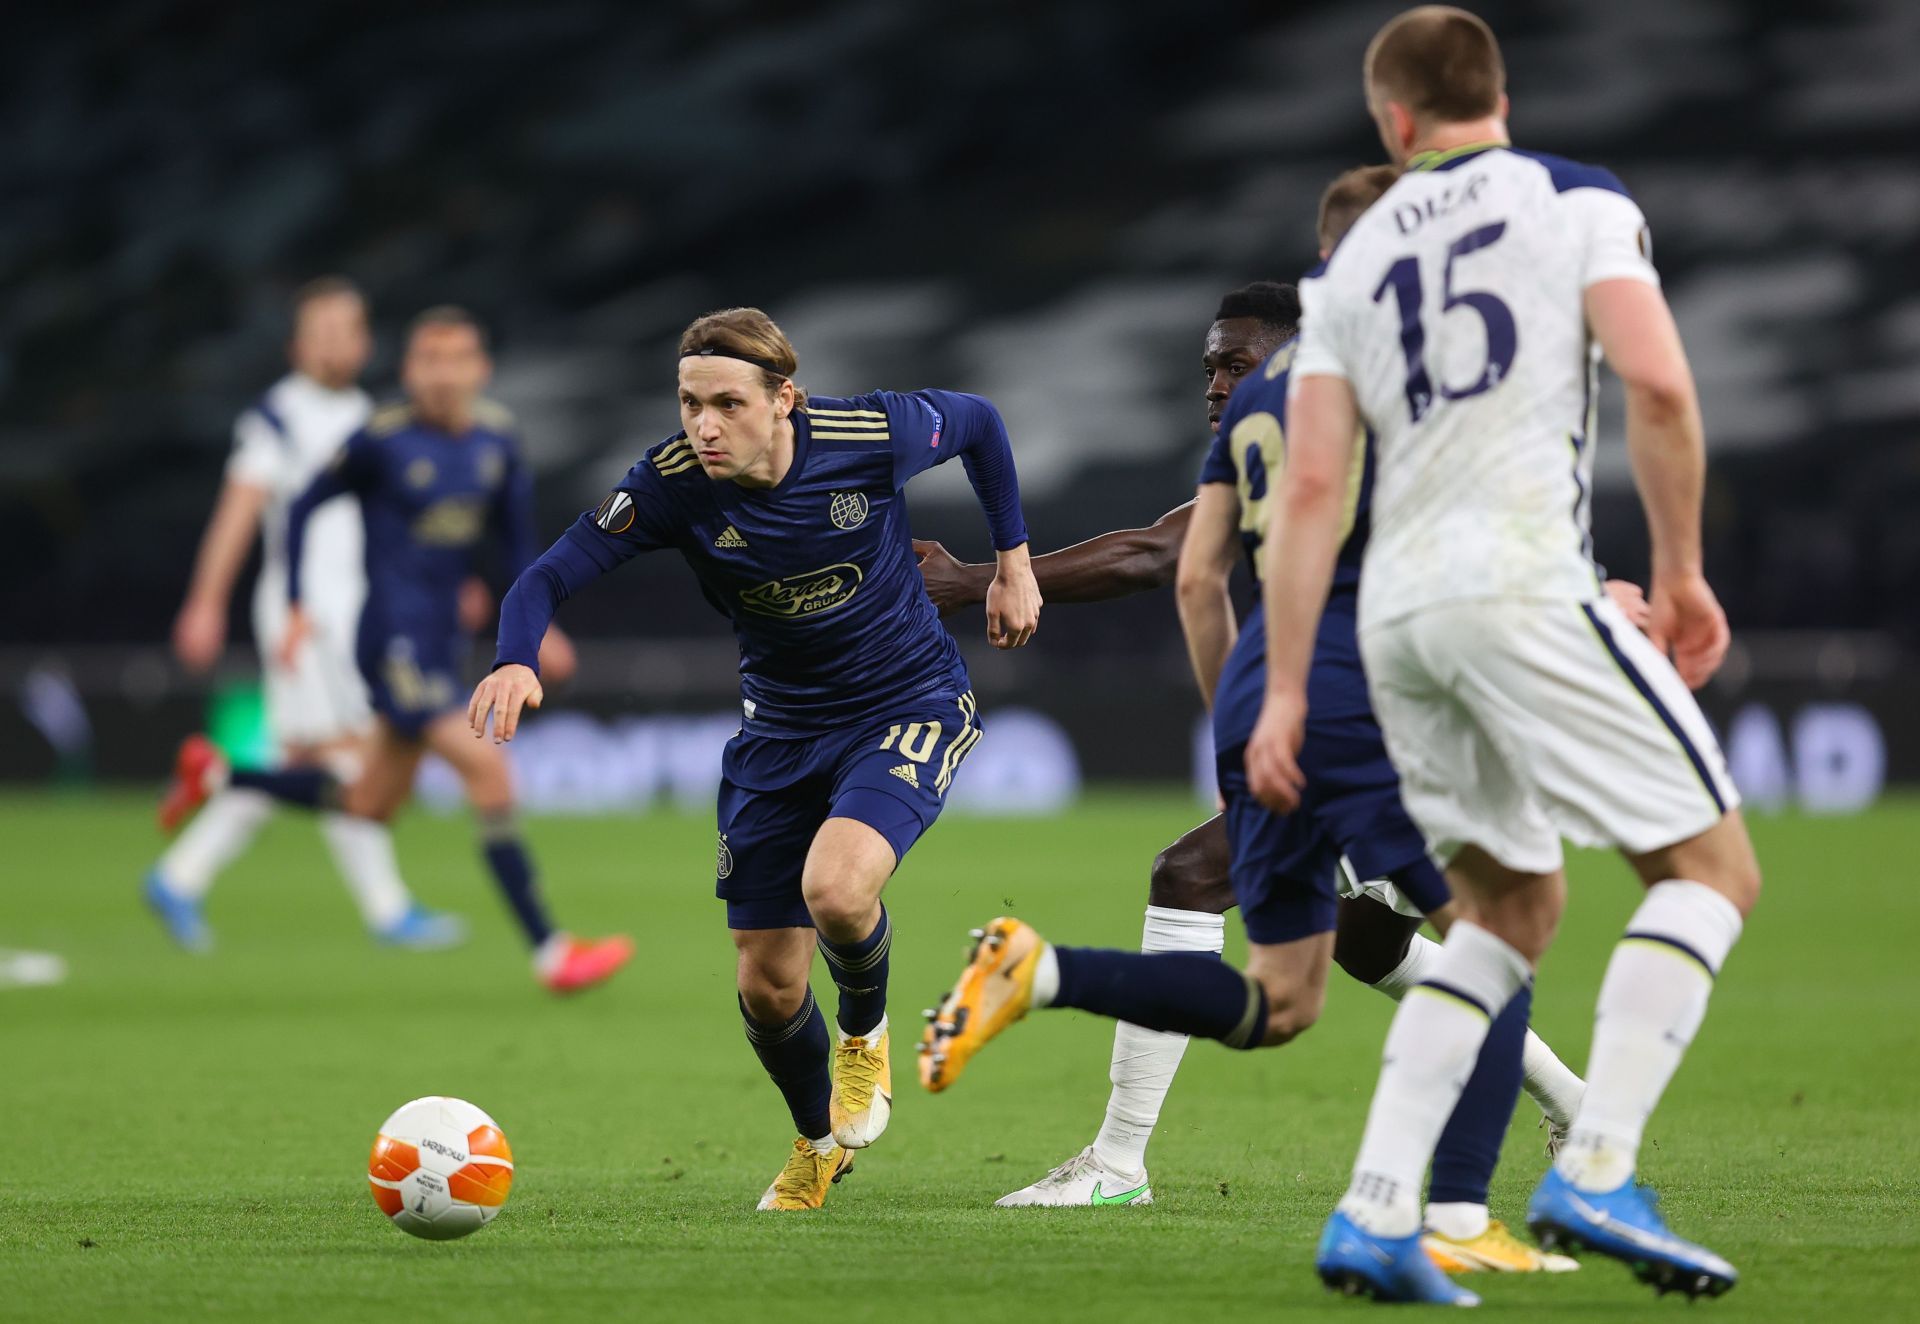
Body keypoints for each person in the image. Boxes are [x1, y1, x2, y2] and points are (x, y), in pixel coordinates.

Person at [919, 176, 1614, 1277]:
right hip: (1365, 706)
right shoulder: (1308, 413)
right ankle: (1568, 1125)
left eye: (1233, 360)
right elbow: (1177, 553)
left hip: (1422, 715)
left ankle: (1123, 1149)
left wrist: (980, 580)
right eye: (1207, 364)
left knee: (1206, 881)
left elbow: (1170, 561)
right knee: (1368, 944)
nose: (1215, 381)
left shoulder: (1347, 404)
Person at [1245, 6, 1760, 1303]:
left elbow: (1312, 489)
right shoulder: (1575, 205)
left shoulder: (1350, 268)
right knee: (1711, 868)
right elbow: (1656, 384)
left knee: (1510, 909)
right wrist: (1684, 569)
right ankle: (1596, 1165)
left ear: (1396, 123)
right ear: (1501, 98)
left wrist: (1292, 687)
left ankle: (1374, 1208)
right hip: (1525, 584)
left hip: (1399, 624)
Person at [467, 307, 1042, 1212]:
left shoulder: (865, 433)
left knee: (840, 889)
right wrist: (513, 655)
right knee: (768, 985)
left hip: (906, 702)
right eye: (691, 403)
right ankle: (820, 1142)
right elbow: (546, 575)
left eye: (727, 403)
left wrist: (1014, 560)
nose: (703, 425)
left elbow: (977, 421)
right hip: (777, 734)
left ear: (785, 401)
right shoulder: (669, 483)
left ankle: (864, 1038)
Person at [159, 307, 633, 996]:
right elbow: (301, 505)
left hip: (439, 639)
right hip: (389, 641)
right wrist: (293, 602)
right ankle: (550, 951)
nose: (443, 374)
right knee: (490, 775)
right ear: (409, 371)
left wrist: (541, 628)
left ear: (482, 368)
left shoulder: (497, 442)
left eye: (457, 358)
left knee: (367, 802)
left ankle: (220, 777)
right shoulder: (380, 439)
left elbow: (517, 552)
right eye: (428, 360)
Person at [145, 278, 463, 952]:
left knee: (297, 764)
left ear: (365, 340)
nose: (335, 344)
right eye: (321, 331)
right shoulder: (276, 419)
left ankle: (180, 875)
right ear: (296, 345)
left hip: (355, 613)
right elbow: (238, 512)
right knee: (352, 757)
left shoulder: (365, 416)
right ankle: (388, 910)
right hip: (305, 617)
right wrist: (205, 602)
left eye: (346, 330)